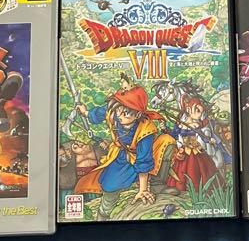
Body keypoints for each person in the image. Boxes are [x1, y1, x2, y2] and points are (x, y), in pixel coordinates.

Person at [74, 86, 174, 219]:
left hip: (145, 155)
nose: (120, 116)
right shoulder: (114, 113)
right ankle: (103, 214)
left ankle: (157, 185)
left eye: (126, 113)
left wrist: (143, 190)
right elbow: (101, 112)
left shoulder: (145, 129)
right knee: (109, 185)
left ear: (137, 114)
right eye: (118, 111)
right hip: (122, 156)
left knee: (167, 141)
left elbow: (144, 159)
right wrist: (86, 112)